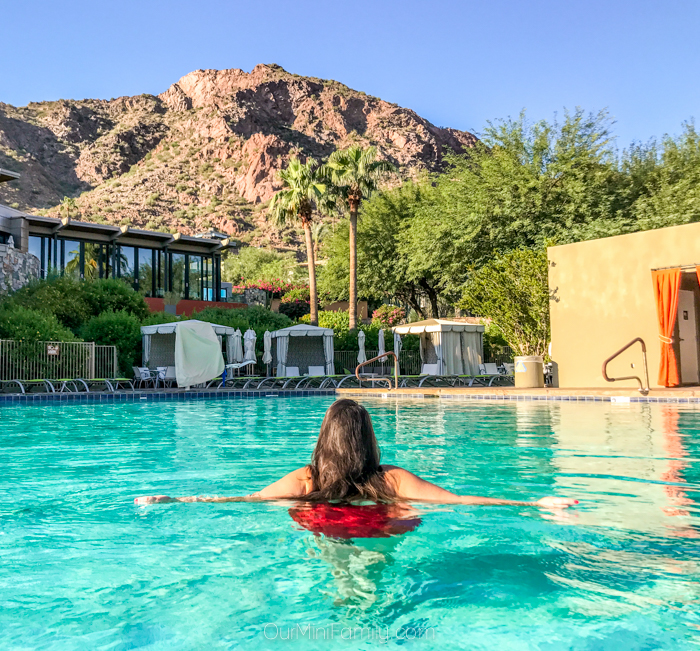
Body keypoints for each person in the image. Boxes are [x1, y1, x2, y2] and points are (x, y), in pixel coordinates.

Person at [135, 399, 577, 509]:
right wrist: (534, 502)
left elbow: (245, 501)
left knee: (341, 574)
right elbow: (459, 501)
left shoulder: (305, 480)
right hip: (379, 524)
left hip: (324, 523)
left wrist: (177, 499)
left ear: (325, 437)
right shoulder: (391, 480)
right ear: (367, 437)